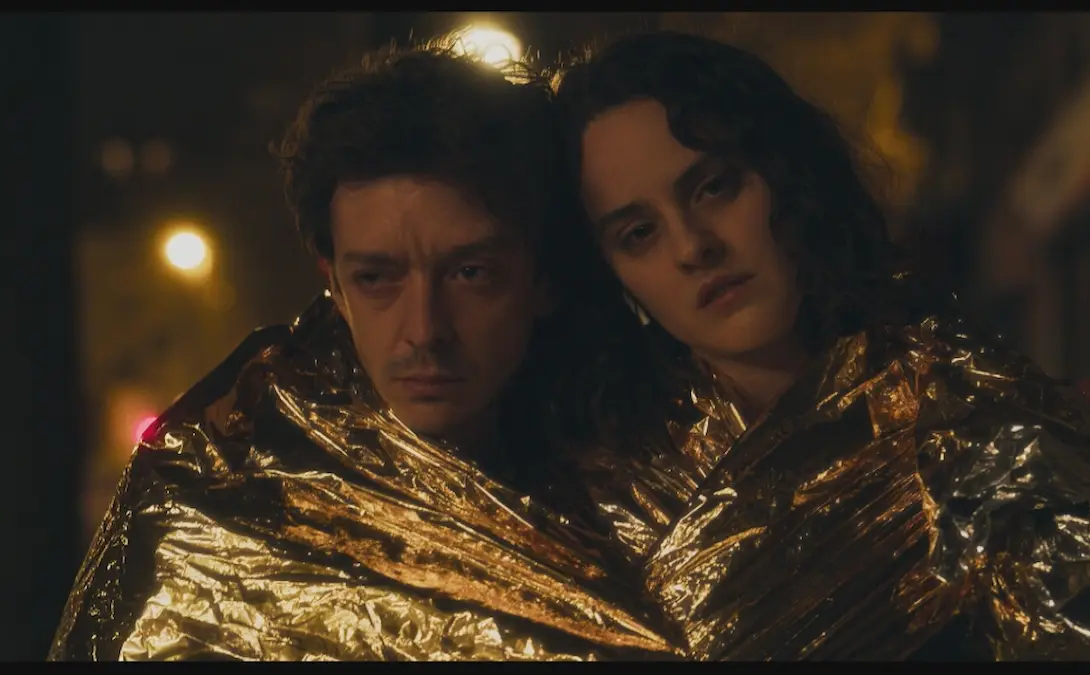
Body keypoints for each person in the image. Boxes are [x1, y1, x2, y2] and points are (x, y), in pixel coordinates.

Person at [552, 31, 1090, 661]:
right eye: (639, 233)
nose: (693, 246)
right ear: (610, 276)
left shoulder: (969, 416)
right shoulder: (593, 491)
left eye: (714, 187)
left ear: (785, 174)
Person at [47, 38, 676, 662]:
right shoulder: (217, 512)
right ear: (336, 288)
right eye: (377, 278)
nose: (424, 330)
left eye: (470, 273)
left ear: (543, 279)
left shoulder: (656, 482)